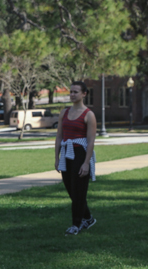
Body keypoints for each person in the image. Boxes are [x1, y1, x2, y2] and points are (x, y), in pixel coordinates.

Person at [55, 81, 97, 235]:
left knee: (79, 190)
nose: (72, 94)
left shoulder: (89, 115)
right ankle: (88, 218)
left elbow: (91, 140)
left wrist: (86, 163)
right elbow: (59, 136)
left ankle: (76, 224)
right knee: (71, 190)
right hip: (66, 153)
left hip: (80, 153)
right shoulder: (64, 113)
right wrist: (57, 158)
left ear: (84, 94)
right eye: (71, 92)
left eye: (76, 92)